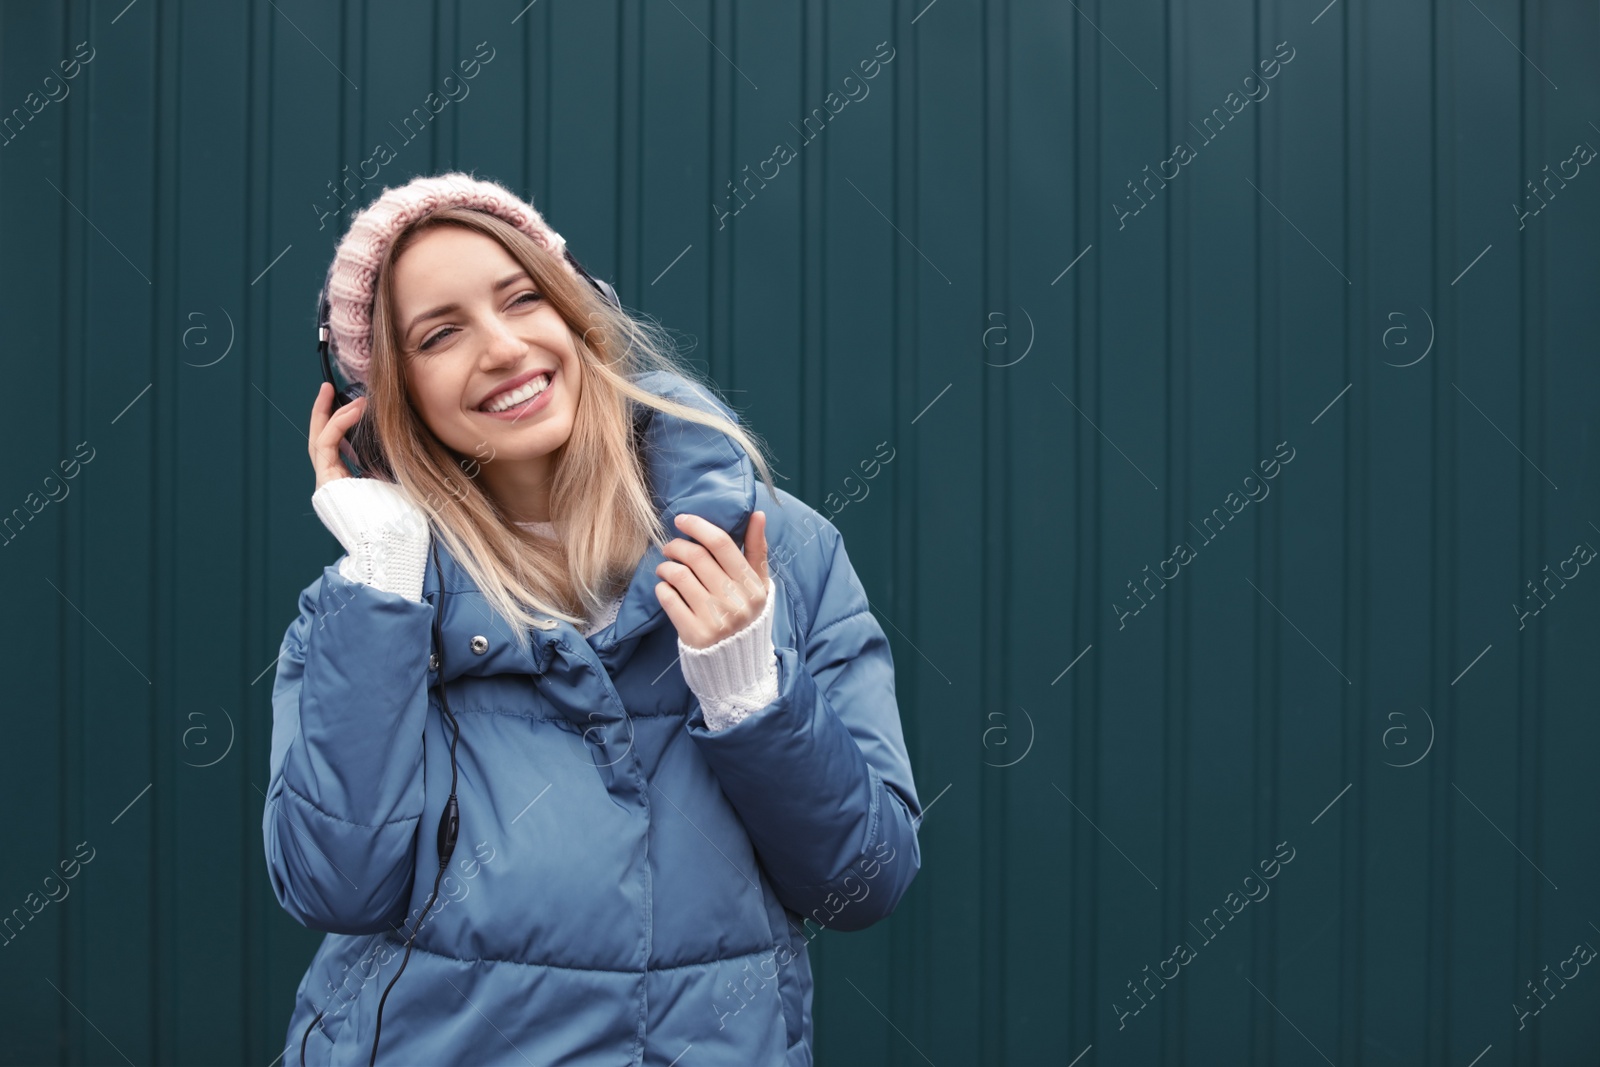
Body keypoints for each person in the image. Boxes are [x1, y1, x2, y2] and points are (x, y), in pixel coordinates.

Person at [262, 171, 922, 1066]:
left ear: (580, 312)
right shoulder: (367, 605)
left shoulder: (779, 551)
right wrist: (382, 577)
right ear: (393, 394)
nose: (501, 347)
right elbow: (333, 885)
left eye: (522, 297)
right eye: (441, 333)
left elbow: (862, 884)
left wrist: (749, 697)